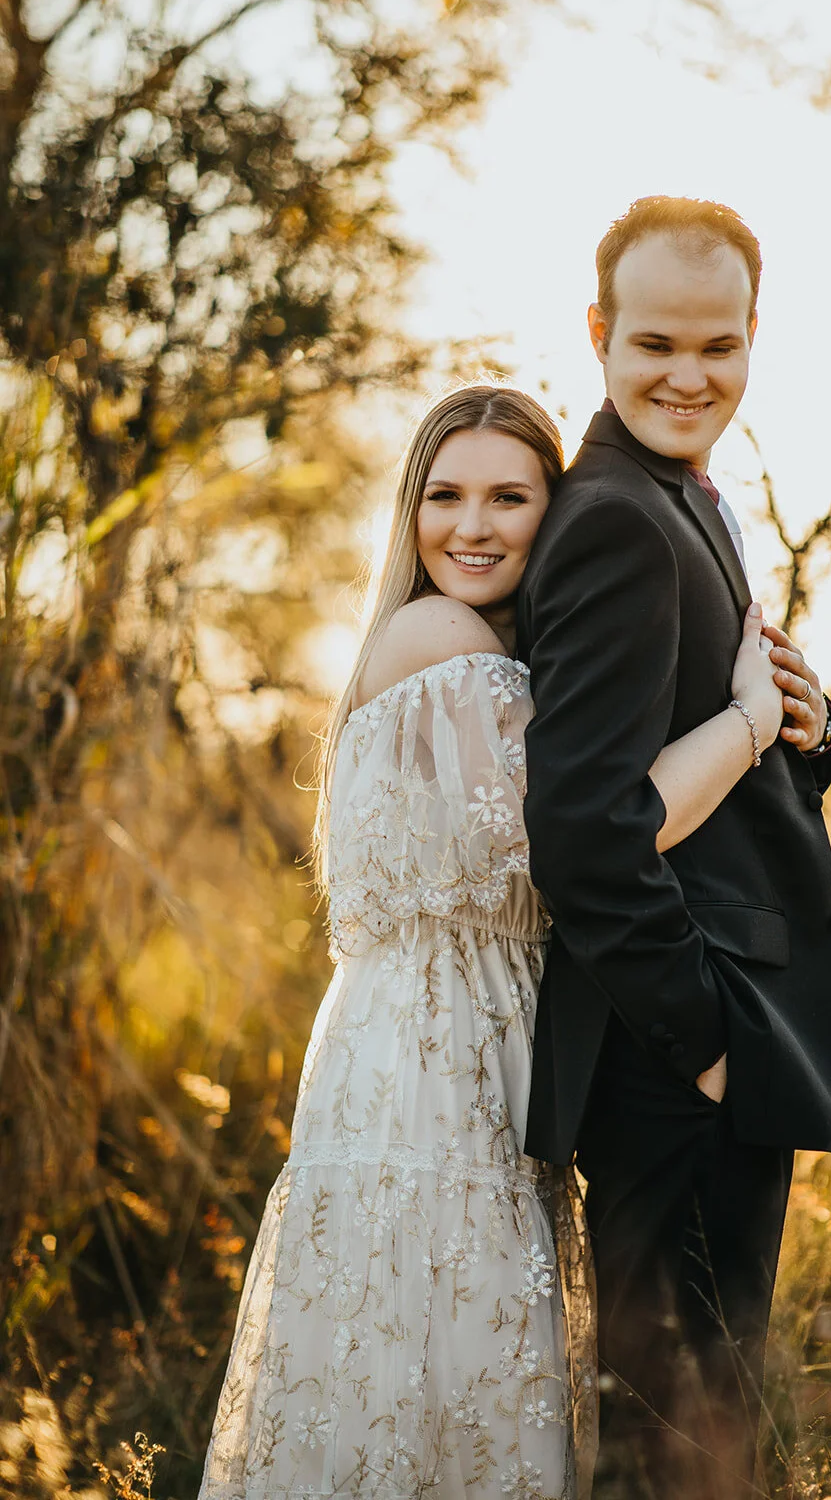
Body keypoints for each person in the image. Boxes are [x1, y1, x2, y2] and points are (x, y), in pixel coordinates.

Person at [196, 382, 787, 1500]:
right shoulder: (442, 640)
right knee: (429, 1375)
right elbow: (584, 840)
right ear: (409, 511)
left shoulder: (491, 654)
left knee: (437, 1379)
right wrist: (744, 724)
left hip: (449, 1047)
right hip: (433, 1068)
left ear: (548, 514)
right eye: (444, 495)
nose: (471, 525)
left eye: (510, 497)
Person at [518, 197, 831, 1499]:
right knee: (668, 1432)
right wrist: (712, 1043)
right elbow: (580, 829)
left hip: (701, 1039)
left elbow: (715, 764)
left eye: (716, 347)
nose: (687, 375)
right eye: (655, 344)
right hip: (670, 1059)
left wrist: (807, 722)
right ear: (598, 335)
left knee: (704, 1412)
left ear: (750, 338)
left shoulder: (682, 498)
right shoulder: (616, 515)